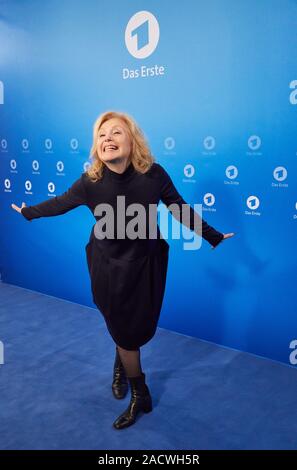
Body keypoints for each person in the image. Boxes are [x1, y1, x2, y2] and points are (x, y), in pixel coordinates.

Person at [11, 111, 234, 430]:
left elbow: (179, 208)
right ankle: (139, 392)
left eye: (116, 132)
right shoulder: (91, 181)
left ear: (133, 141)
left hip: (145, 264)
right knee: (120, 325)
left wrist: (211, 235)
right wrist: (29, 212)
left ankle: (122, 358)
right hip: (107, 264)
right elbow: (60, 203)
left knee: (137, 328)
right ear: (96, 146)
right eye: (101, 135)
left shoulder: (153, 175)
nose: (107, 138)